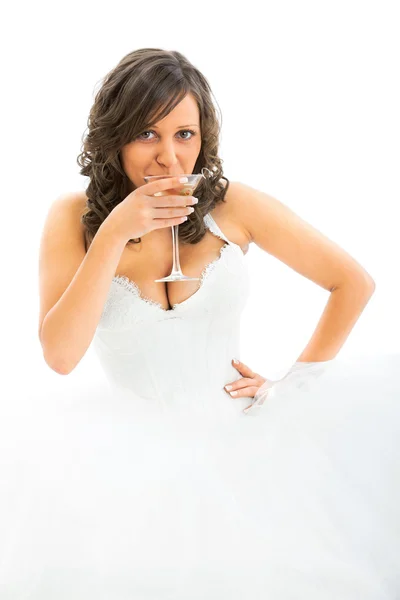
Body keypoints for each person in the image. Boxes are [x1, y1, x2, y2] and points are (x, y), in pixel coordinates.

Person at [1, 48, 399, 599]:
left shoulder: (232, 206)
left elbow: (352, 283)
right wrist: (115, 233)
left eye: (184, 134)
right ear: (114, 137)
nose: (168, 157)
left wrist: (294, 386)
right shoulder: (72, 218)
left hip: (247, 448)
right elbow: (60, 356)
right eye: (147, 133)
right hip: (124, 470)